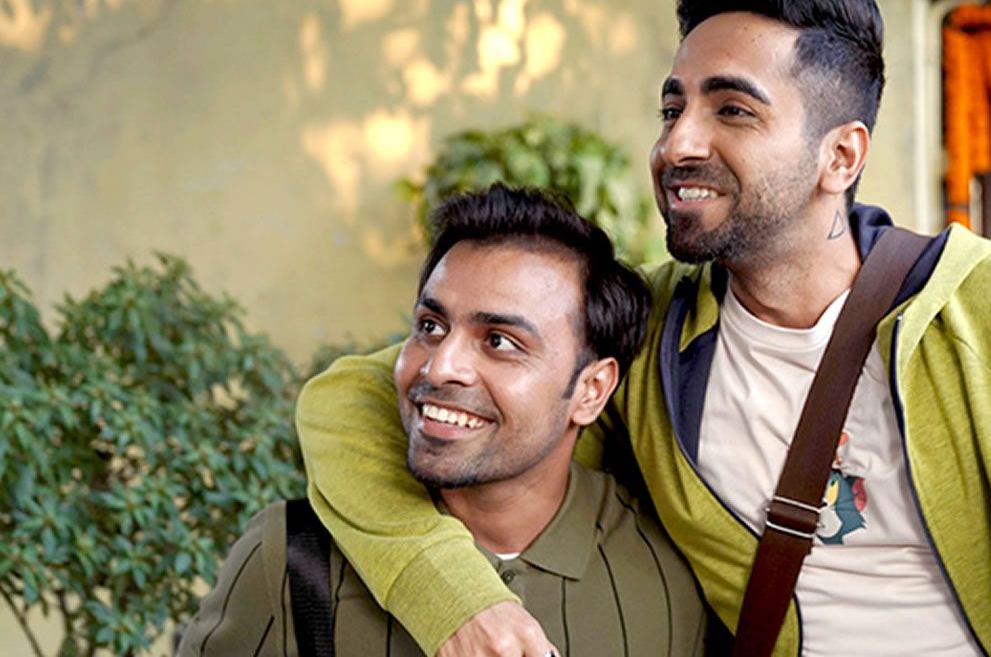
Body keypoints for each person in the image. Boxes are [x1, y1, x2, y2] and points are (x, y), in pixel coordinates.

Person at [295, 0, 991, 656]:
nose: (677, 144)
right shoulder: (648, 346)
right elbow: (350, 404)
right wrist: (453, 595)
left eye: (731, 110)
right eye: (673, 108)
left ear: (840, 156)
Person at [179, 186, 709, 657]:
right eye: (431, 326)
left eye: (499, 341)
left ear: (591, 390)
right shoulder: (288, 558)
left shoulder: (666, 581)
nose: (439, 367)